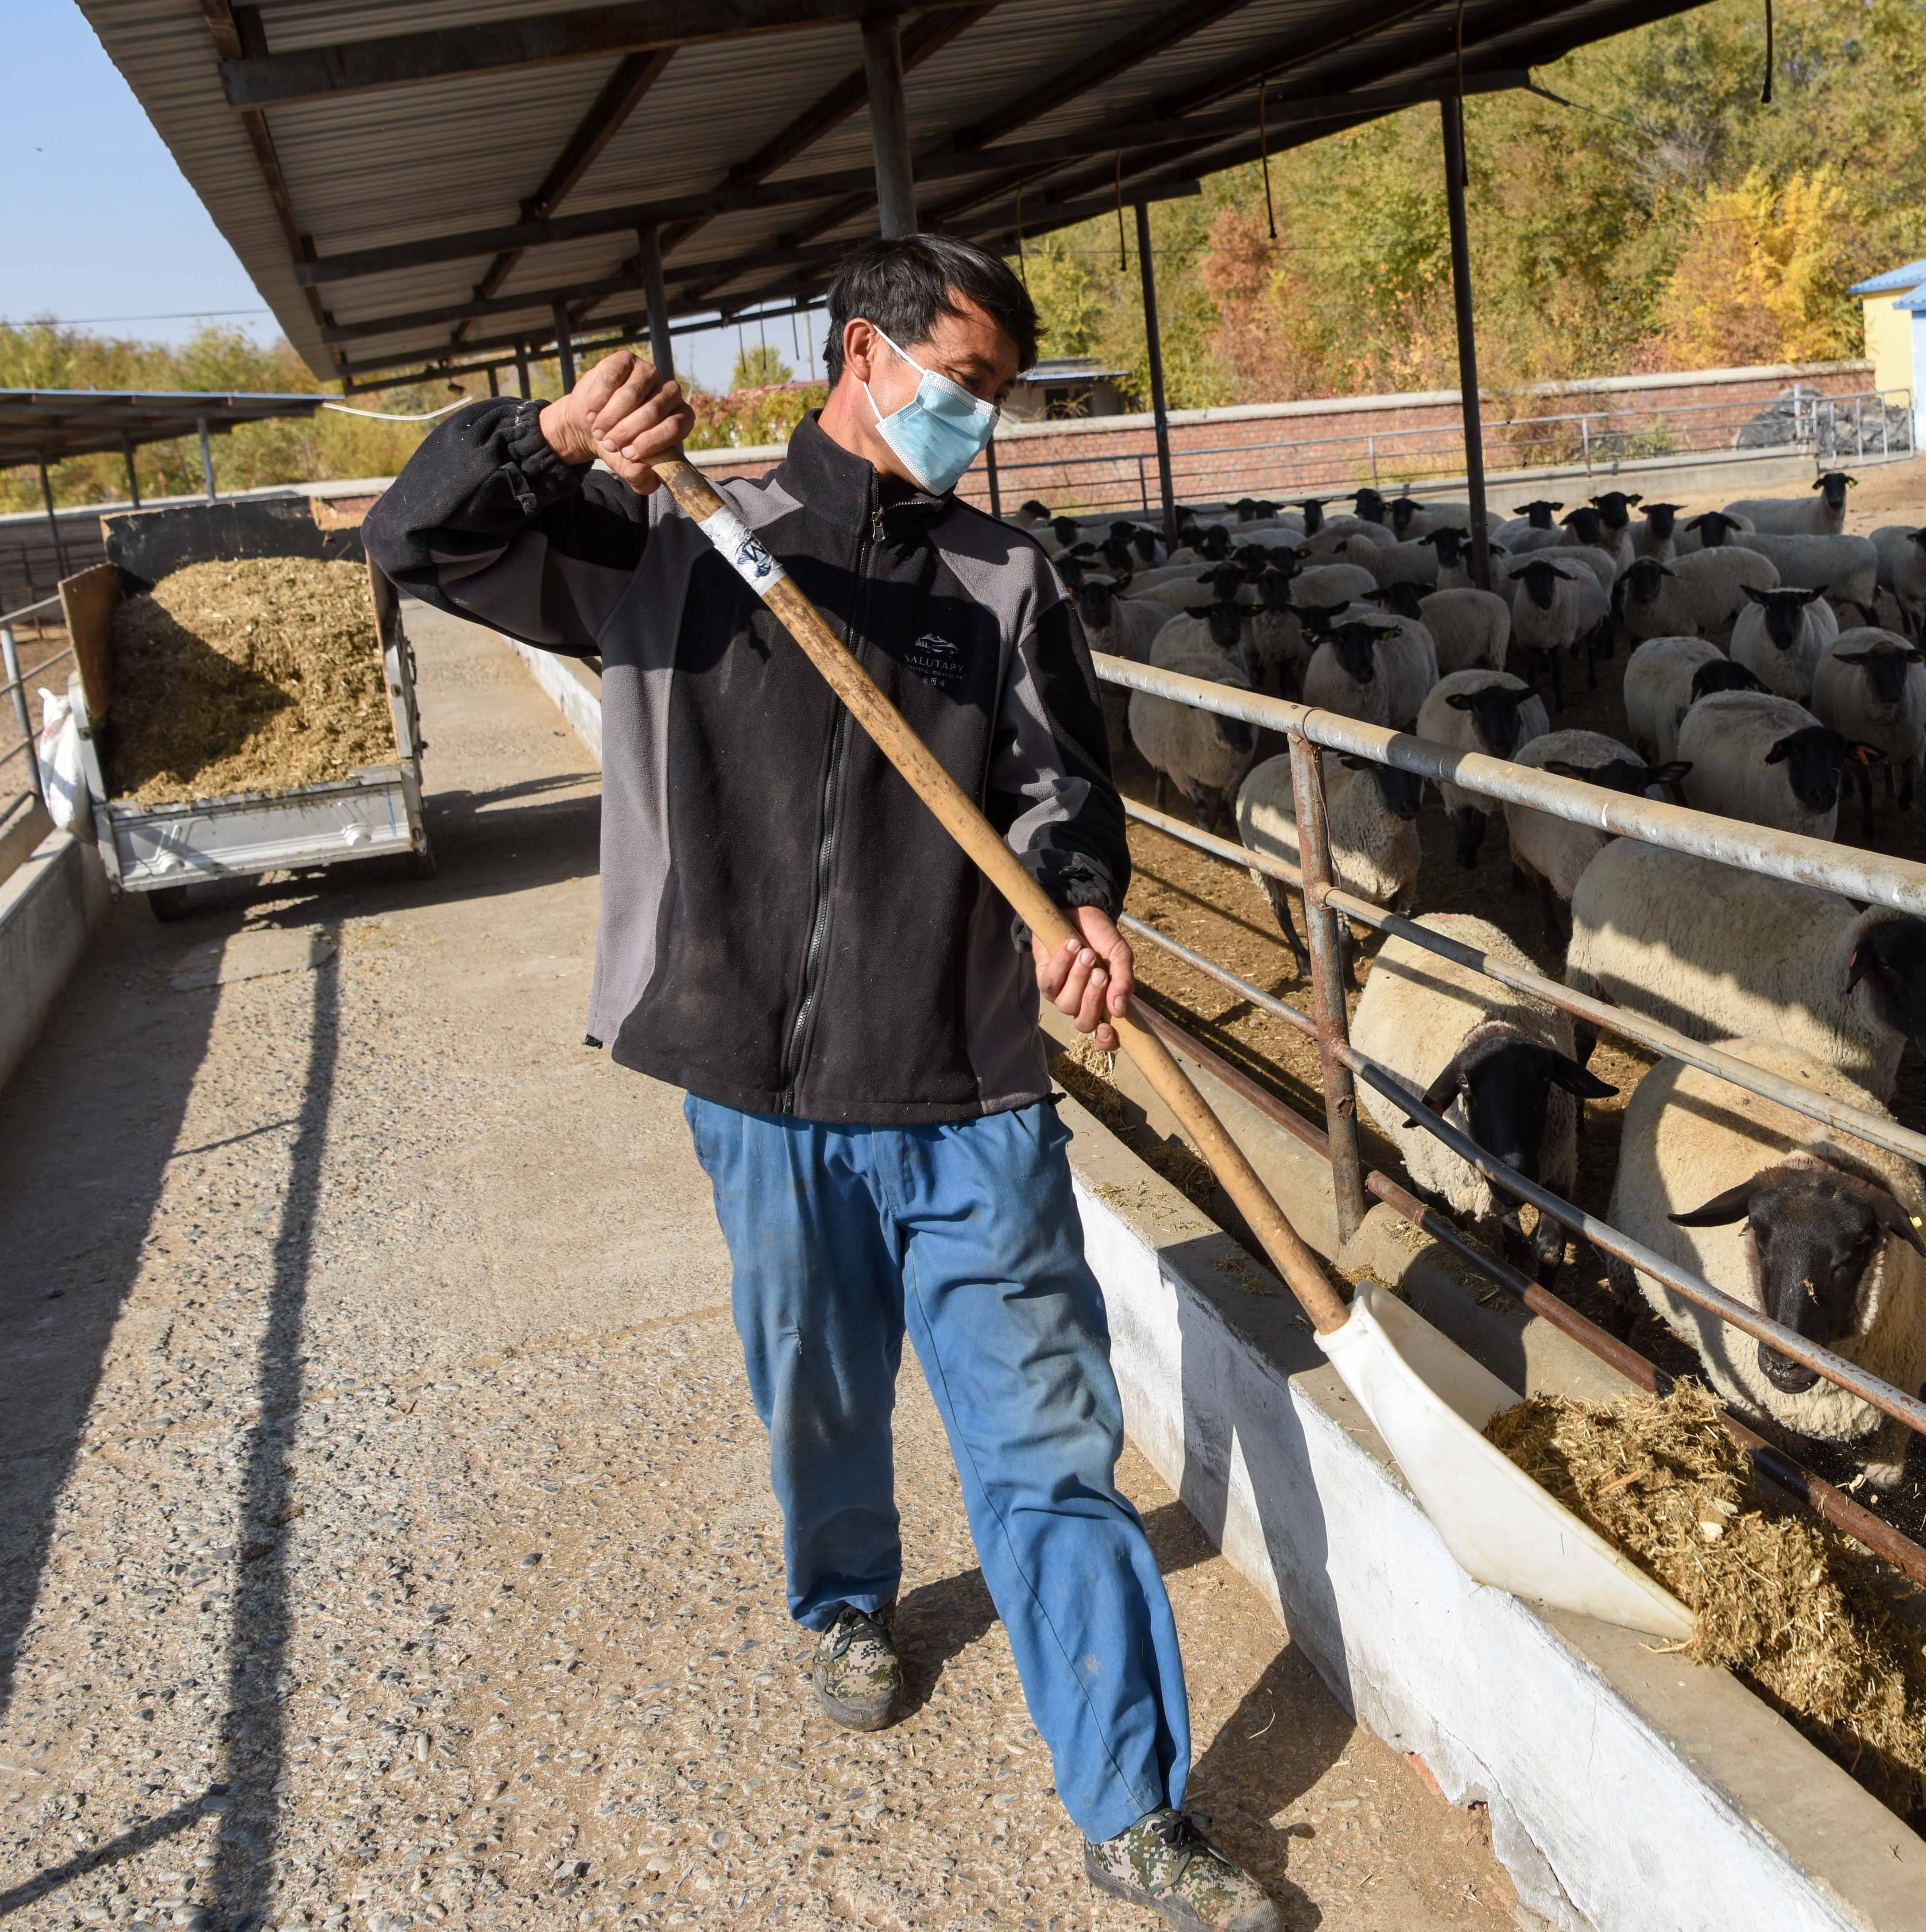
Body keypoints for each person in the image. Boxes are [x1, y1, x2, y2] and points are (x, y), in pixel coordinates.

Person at [364, 234, 1277, 1932]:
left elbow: (1063, 783)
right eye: (965, 381)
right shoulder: (659, 541)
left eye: (997, 393)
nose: (978, 419)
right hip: (760, 1084)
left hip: (968, 1083)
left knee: (1050, 1451)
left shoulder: (1003, 580)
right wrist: (543, 444)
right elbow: (417, 542)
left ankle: (1135, 1804)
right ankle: (845, 1598)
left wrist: (1079, 900)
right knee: (820, 1389)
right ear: (866, 352)